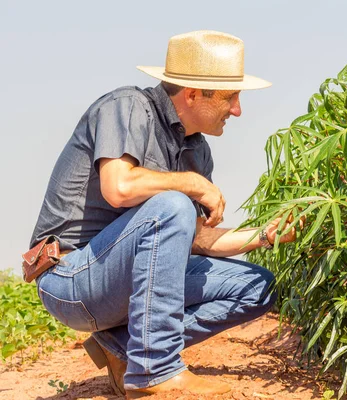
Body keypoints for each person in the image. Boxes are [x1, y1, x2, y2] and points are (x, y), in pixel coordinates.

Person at [27, 30, 299, 398]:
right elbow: (118, 186)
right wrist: (190, 185)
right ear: (192, 94)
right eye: (230, 97)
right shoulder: (126, 107)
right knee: (171, 204)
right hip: (71, 280)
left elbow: (199, 239)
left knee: (257, 287)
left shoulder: (196, 150)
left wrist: (265, 235)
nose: (237, 110)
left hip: (124, 280)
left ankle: (122, 347)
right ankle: (155, 370)